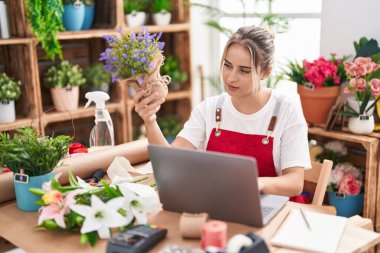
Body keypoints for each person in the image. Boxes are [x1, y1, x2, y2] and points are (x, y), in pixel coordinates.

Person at [133, 26, 311, 198]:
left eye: (244, 70)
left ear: (265, 72)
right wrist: (150, 120)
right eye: (227, 65)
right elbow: (169, 163)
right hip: (218, 202)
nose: (231, 77)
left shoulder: (286, 110)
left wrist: (255, 184)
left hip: (270, 206)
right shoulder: (210, 108)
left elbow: (295, 183)